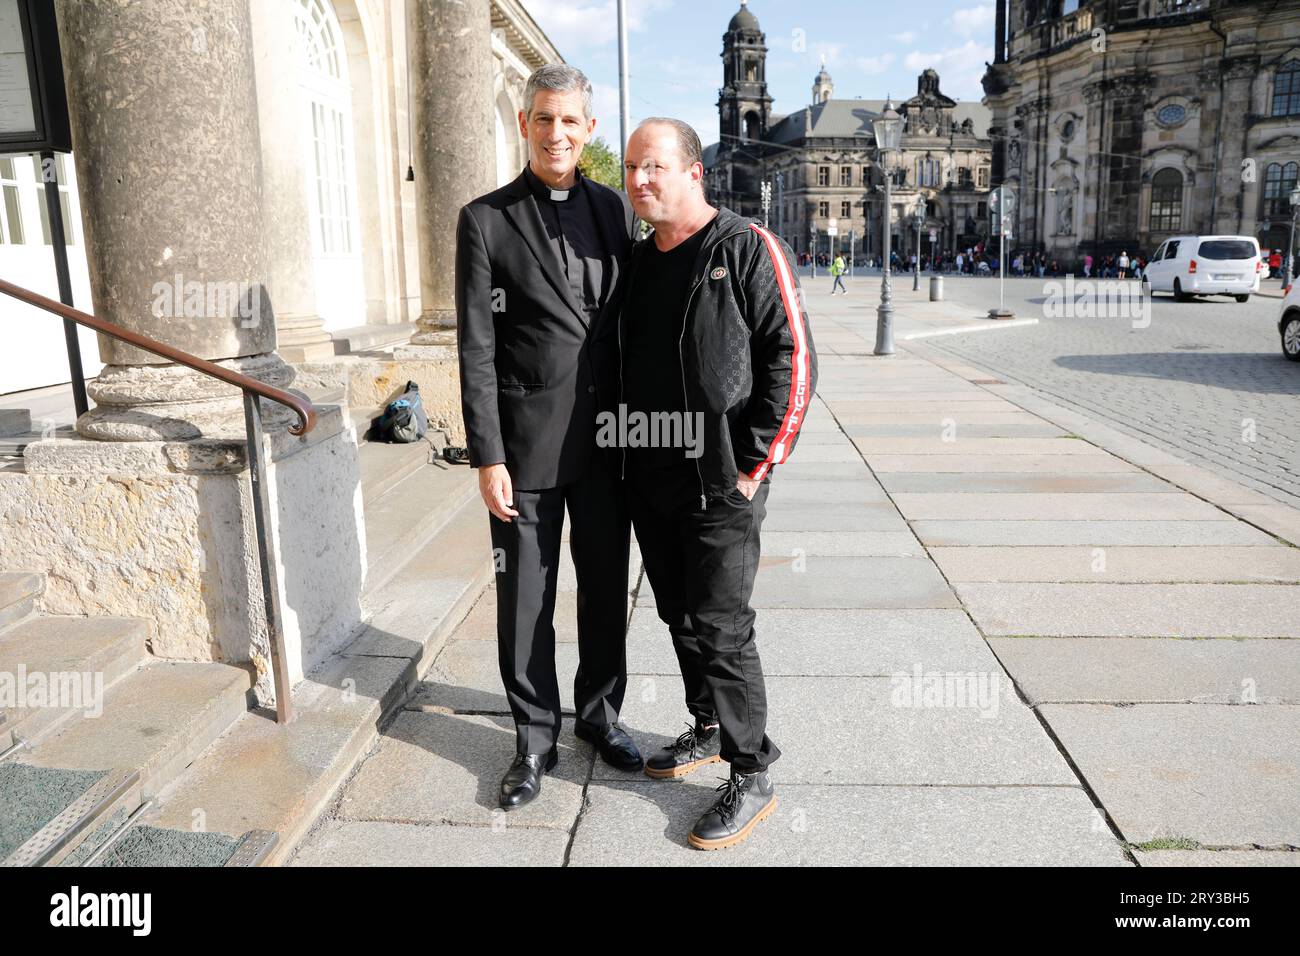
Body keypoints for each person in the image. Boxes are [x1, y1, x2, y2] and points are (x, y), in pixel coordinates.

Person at [618, 117, 817, 850]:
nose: (640, 180)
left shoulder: (744, 247)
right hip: (651, 474)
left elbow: (790, 361)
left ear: (693, 171)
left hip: (719, 479)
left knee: (722, 624)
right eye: (634, 168)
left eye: (655, 167)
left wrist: (750, 465)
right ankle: (706, 725)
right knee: (679, 613)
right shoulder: (638, 263)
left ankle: (751, 768)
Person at [455, 64, 642, 811]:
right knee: (526, 597)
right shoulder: (486, 218)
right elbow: (475, 345)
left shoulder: (615, 212)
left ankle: (599, 716)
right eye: (542, 119)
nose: (556, 132)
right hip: (526, 448)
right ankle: (534, 739)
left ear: (589, 129)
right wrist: (488, 454)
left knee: (602, 592)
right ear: (524, 124)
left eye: (569, 120)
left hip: (606, 446)